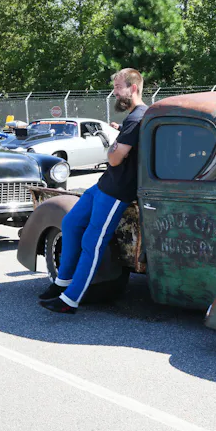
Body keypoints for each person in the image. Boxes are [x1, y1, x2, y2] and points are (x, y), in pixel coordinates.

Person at [39, 68, 148, 314]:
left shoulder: (137, 118)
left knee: (93, 241)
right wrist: (117, 142)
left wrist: (113, 145)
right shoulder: (132, 118)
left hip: (117, 191)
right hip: (103, 185)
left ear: (133, 88)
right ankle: (62, 282)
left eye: (118, 87)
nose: (114, 93)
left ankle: (70, 300)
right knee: (71, 223)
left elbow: (115, 158)